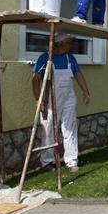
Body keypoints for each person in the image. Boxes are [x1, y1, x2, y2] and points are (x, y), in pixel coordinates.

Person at [32, 33, 90, 172]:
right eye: (69, 43)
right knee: (48, 129)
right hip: (49, 100)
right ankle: (47, 161)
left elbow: (78, 74)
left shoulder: (70, 58)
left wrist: (85, 91)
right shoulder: (45, 58)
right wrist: (38, 99)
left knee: (70, 128)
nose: (71, 45)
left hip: (68, 99)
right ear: (61, 43)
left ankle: (71, 160)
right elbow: (35, 80)